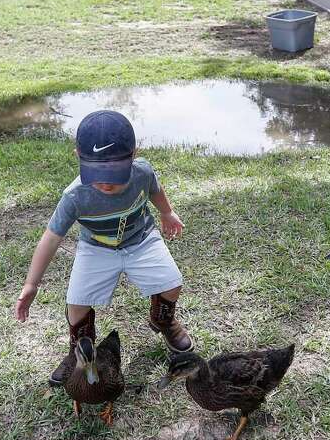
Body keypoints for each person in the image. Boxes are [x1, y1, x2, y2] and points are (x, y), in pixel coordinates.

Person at [13, 110, 194, 386]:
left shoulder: (142, 171)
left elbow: (154, 189)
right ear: (78, 157)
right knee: (76, 303)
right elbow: (51, 238)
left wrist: (167, 213)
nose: (107, 183)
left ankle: (163, 320)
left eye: (115, 174)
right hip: (96, 247)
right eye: (98, 174)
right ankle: (79, 352)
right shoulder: (75, 196)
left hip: (141, 239)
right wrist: (32, 283)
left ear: (133, 155)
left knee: (172, 283)